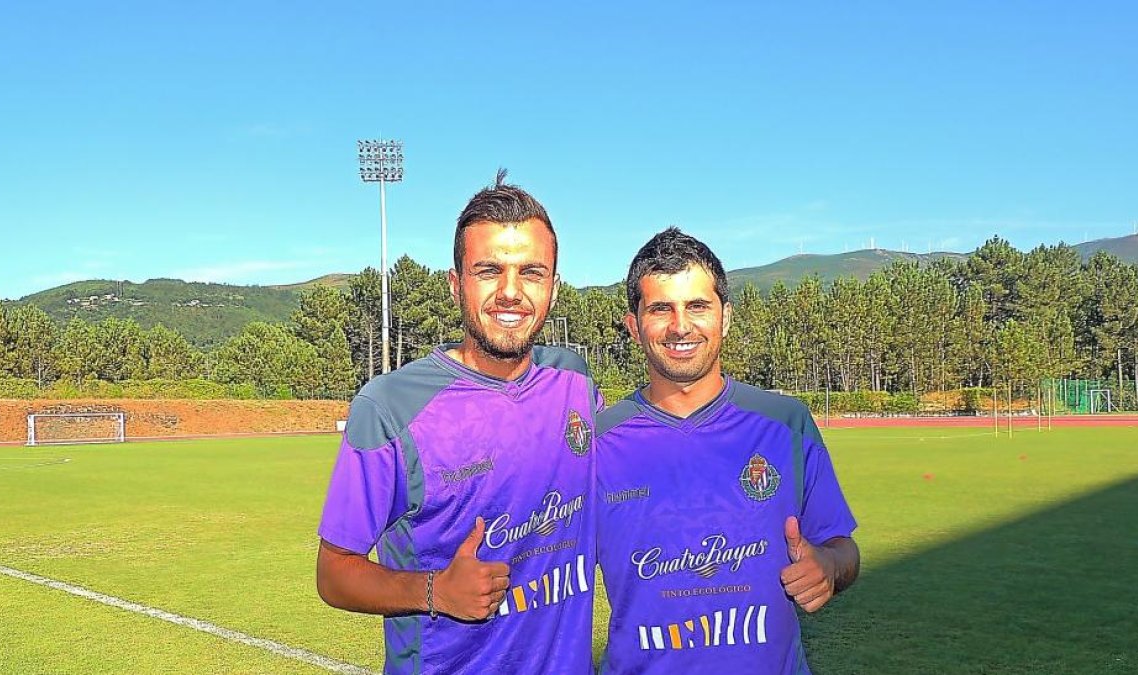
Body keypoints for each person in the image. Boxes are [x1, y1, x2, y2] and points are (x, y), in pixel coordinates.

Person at [317, 171, 598, 674]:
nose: (510, 292)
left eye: (531, 272)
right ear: (455, 284)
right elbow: (333, 574)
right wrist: (435, 592)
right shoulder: (390, 407)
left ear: (553, 287)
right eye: (489, 270)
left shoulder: (574, 381)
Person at [596, 227, 859, 674]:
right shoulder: (598, 444)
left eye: (697, 306)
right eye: (661, 308)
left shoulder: (786, 423)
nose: (681, 325)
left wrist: (830, 566)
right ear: (634, 326)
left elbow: (844, 548)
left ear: (726, 317)